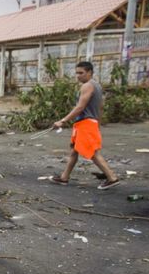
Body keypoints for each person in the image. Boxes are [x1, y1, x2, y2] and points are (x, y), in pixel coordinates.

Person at [49, 61, 120, 190]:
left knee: (92, 153)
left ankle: (112, 178)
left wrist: (63, 121)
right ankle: (64, 178)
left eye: (81, 73)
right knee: (74, 152)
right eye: (77, 73)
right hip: (88, 123)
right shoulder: (97, 86)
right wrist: (97, 123)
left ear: (90, 72)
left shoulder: (87, 86)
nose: (78, 76)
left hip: (86, 123)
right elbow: (100, 107)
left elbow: (80, 107)